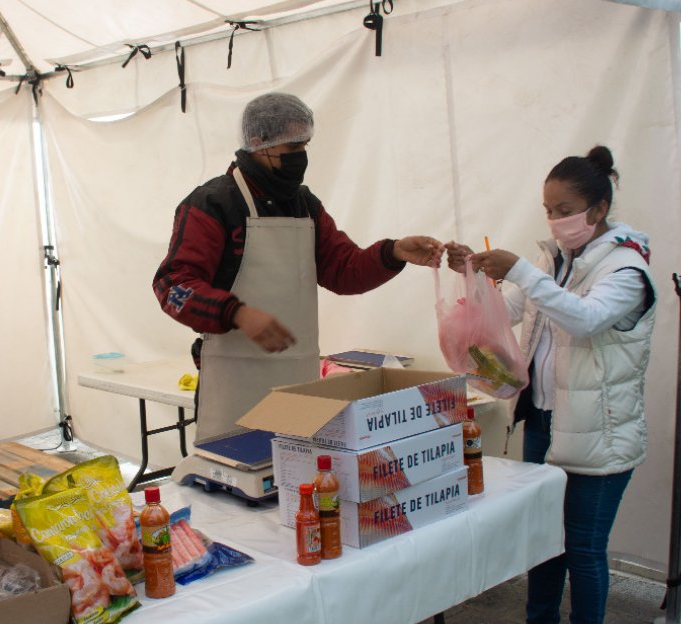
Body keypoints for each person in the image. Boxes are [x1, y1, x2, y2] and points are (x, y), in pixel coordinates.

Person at [153, 92, 443, 440]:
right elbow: (172, 285)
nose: (301, 156)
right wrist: (236, 313)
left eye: (304, 146)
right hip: (234, 389)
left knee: (299, 469)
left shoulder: (304, 205)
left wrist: (393, 252)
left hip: (298, 384)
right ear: (257, 143)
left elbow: (344, 270)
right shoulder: (213, 203)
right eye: (292, 148)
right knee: (238, 468)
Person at [445, 146, 655, 624]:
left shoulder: (627, 270)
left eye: (565, 210)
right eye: (548, 210)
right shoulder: (554, 261)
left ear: (598, 210)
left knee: (583, 547)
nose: (555, 221)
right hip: (543, 420)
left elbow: (585, 319)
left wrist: (519, 269)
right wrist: (472, 275)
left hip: (599, 433)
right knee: (544, 540)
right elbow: (507, 313)